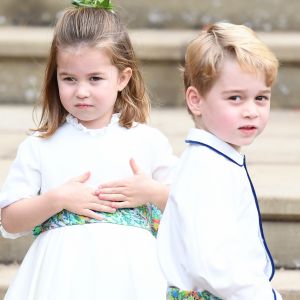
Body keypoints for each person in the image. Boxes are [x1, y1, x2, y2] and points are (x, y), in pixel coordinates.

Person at [0, 1, 177, 299]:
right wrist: (56, 199)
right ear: (55, 77)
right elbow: (9, 220)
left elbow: (190, 203)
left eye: (95, 78)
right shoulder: (40, 146)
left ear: (122, 78)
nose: (81, 91)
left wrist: (152, 192)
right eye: (69, 78)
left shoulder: (148, 141)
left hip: (132, 278)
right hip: (61, 279)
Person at [157, 22, 282, 300]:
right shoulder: (207, 170)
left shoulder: (217, 160)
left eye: (260, 98)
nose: (251, 111)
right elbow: (214, 264)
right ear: (196, 100)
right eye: (235, 98)